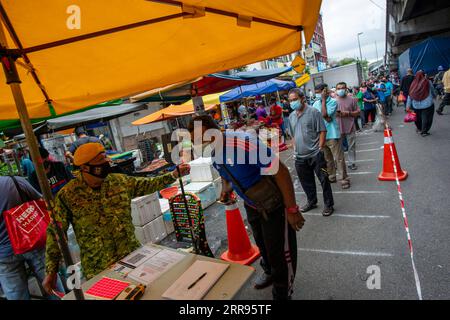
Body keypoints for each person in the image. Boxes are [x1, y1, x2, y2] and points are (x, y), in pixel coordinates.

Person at [43, 143, 190, 293]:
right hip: (98, 269)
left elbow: (148, 184)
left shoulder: (119, 181)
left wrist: (174, 175)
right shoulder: (67, 195)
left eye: (106, 157)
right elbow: (56, 233)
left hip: (132, 258)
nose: (107, 162)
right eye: (101, 159)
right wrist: (51, 269)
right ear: (85, 167)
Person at [188, 115, 304, 300]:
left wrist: (292, 209)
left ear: (211, 129)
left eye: (199, 137)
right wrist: (225, 189)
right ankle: (269, 272)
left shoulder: (242, 143)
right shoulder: (214, 153)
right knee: (262, 246)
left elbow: (281, 172)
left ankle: (282, 292)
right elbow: (225, 173)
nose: (197, 142)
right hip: (252, 205)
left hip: (273, 206)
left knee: (279, 254)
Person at [0, 176, 64, 300]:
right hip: (32, 241)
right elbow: (41, 201)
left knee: (15, 295)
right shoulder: (13, 181)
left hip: (4, 254)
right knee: (52, 285)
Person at [288, 88, 334, 216]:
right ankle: (311, 201)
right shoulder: (291, 116)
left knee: (324, 180)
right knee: (306, 182)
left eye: (294, 100)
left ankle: (329, 205)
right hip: (300, 157)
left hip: (315, 154)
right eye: (290, 100)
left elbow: (322, 131)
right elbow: (292, 135)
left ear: (302, 99)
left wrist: (320, 148)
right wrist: (295, 149)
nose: (292, 103)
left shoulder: (313, 112)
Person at [313, 84, 350, 189]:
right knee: (327, 158)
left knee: (339, 158)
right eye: (316, 92)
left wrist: (324, 101)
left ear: (325, 91)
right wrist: (324, 117)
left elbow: (325, 114)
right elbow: (316, 118)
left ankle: (344, 178)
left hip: (332, 134)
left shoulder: (333, 102)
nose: (317, 94)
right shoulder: (315, 103)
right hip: (321, 135)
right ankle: (332, 176)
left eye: (319, 91)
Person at [336, 82, 360, 171]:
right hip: (337, 128)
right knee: (338, 148)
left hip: (350, 126)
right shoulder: (333, 101)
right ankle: (339, 165)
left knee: (351, 146)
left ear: (346, 88)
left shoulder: (352, 99)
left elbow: (358, 112)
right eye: (338, 88)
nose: (340, 90)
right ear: (336, 90)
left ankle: (352, 163)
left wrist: (348, 113)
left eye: (342, 88)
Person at [406, 71, 436, 137]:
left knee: (418, 118)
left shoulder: (413, 84)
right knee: (426, 117)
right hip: (427, 104)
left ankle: (420, 129)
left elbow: (410, 95)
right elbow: (432, 90)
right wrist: (434, 96)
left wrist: (408, 106)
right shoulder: (428, 82)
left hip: (416, 105)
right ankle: (424, 131)